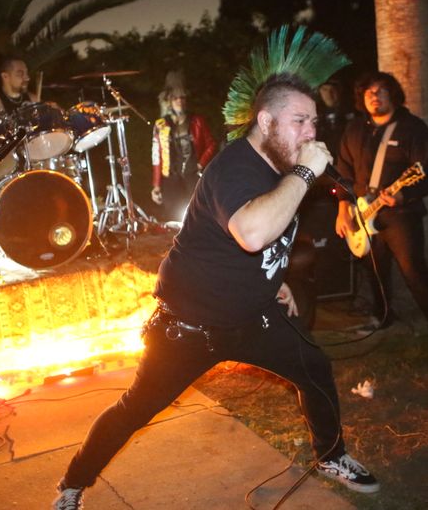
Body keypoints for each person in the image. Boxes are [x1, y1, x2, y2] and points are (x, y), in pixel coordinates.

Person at [51, 33, 379, 508]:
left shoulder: (284, 166)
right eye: (300, 121)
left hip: (253, 317)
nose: (311, 132)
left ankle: (331, 456)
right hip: (189, 328)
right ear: (266, 121)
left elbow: (270, 238)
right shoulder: (234, 168)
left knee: (314, 367)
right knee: (134, 409)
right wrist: (306, 173)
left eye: (314, 121)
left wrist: (277, 279)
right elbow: (251, 232)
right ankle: (72, 484)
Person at [334, 72, 428, 353]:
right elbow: (343, 170)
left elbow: (426, 175)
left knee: (413, 269)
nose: (374, 96)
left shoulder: (413, 129)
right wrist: (342, 208)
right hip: (362, 213)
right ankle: (382, 316)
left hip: (400, 215)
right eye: (369, 92)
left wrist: (401, 195)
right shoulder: (355, 129)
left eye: (381, 91)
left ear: (393, 95)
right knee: (374, 270)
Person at [150, 71, 217, 222]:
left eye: (182, 97)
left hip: (192, 175)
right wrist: (156, 185)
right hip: (171, 178)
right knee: (173, 217)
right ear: (169, 101)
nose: (179, 101)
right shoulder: (161, 125)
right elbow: (156, 156)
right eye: (175, 98)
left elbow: (211, 144)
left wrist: (200, 164)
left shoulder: (197, 121)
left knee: (198, 214)